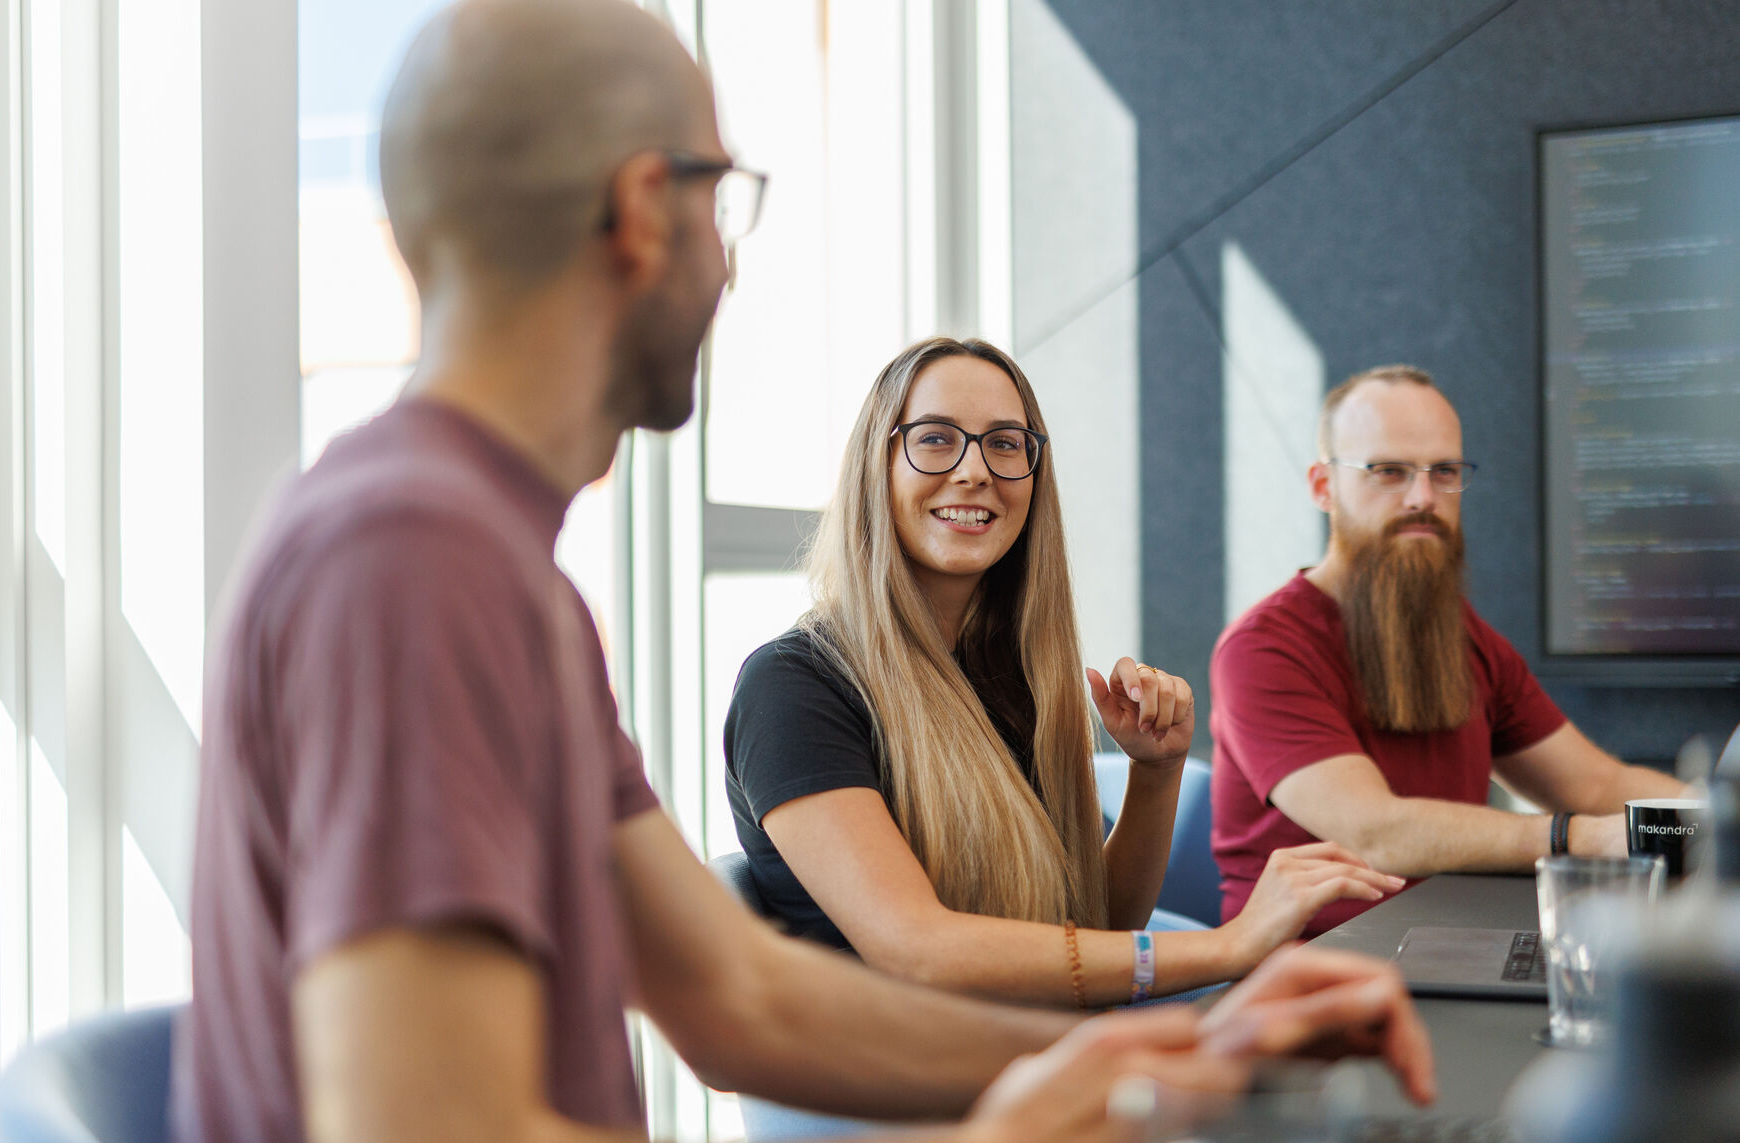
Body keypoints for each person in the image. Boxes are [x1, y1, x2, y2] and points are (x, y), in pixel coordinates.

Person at [173, 3, 1438, 1140]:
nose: (728, 260)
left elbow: (739, 998)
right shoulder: (412, 561)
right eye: (721, 199)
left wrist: (1162, 1053)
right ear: (637, 211)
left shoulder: (504, 579)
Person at [725, 336, 1405, 1009]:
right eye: (935, 438)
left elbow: (1096, 923)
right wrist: (1233, 944)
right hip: (917, 1099)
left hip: (1038, 1051)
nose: (974, 470)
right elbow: (921, 952)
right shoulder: (792, 688)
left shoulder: (1007, 673)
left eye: (1005, 443)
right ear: (878, 465)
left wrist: (1155, 771)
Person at [1210, 364, 1688, 936]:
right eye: (1389, 472)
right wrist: (1582, 836)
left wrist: (1716, 811)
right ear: (1322, 486)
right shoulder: (1262, 649)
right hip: (1302, 972)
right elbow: (1377, 831)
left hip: (1448, 944)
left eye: (1444, 472)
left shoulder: (1463, 637)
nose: (1423, 497)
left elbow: (1597, 786)